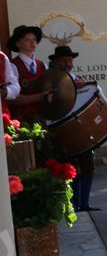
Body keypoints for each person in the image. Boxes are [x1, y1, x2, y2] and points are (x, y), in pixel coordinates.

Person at [49, 45, 100, 212]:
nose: (68, 63)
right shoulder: (52, 78)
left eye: (70, 60)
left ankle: (84, 203)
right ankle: (72, 205)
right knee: (69, 168)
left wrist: (83, 85)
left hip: (79, 126)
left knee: (87, 165)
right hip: (63, 127)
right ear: (56, 62)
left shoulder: (73, 76)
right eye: (64, 60)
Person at [7, 25, 48, 124]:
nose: (33, 42)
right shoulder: (12, 66)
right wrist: (40, 97)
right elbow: (12, 98)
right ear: (18, 43)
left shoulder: (43, 65)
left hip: (42, 118)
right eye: (27, 39)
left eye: (34, 39)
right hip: (21, 121)